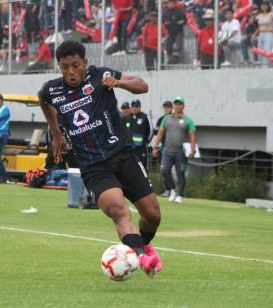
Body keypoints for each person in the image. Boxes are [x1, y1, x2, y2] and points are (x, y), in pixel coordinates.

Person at [39, 40, 162, 276]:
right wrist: (56, 134)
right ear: (59, 66)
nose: (71, 72)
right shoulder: (51, 90)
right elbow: (43, 101)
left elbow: (142, 85)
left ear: (85, 62)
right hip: (93, 165)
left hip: (123, 155)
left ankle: (144, 245)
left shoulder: (101, 75)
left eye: (76, 65)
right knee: (118, 209)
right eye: (65, 67)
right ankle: (140, 256)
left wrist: (119, 83)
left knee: (153, 215)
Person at [151, 96, 196, 204]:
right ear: (173, 106)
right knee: (164, 170)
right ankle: (172, 189)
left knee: (180, 173)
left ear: (183, 106)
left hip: (181, 152)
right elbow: (160, 133)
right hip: (167, 151)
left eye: (179, 104)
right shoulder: (167, 119)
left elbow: (192, 136)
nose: (177, 106)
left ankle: (180, 195)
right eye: (175, 104)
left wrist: (192, 150)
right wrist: (155, 146)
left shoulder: (188, 120)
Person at [129, 99, 152, 170]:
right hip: (130, 148)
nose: (134, 108)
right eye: (133, 106)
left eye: (136, 106)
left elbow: (151, 131)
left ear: (140, 107)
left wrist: (146, 142)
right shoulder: (128, 117)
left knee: (143, 168)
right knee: (131, 167)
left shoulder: (145, 117)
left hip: (142, 148)